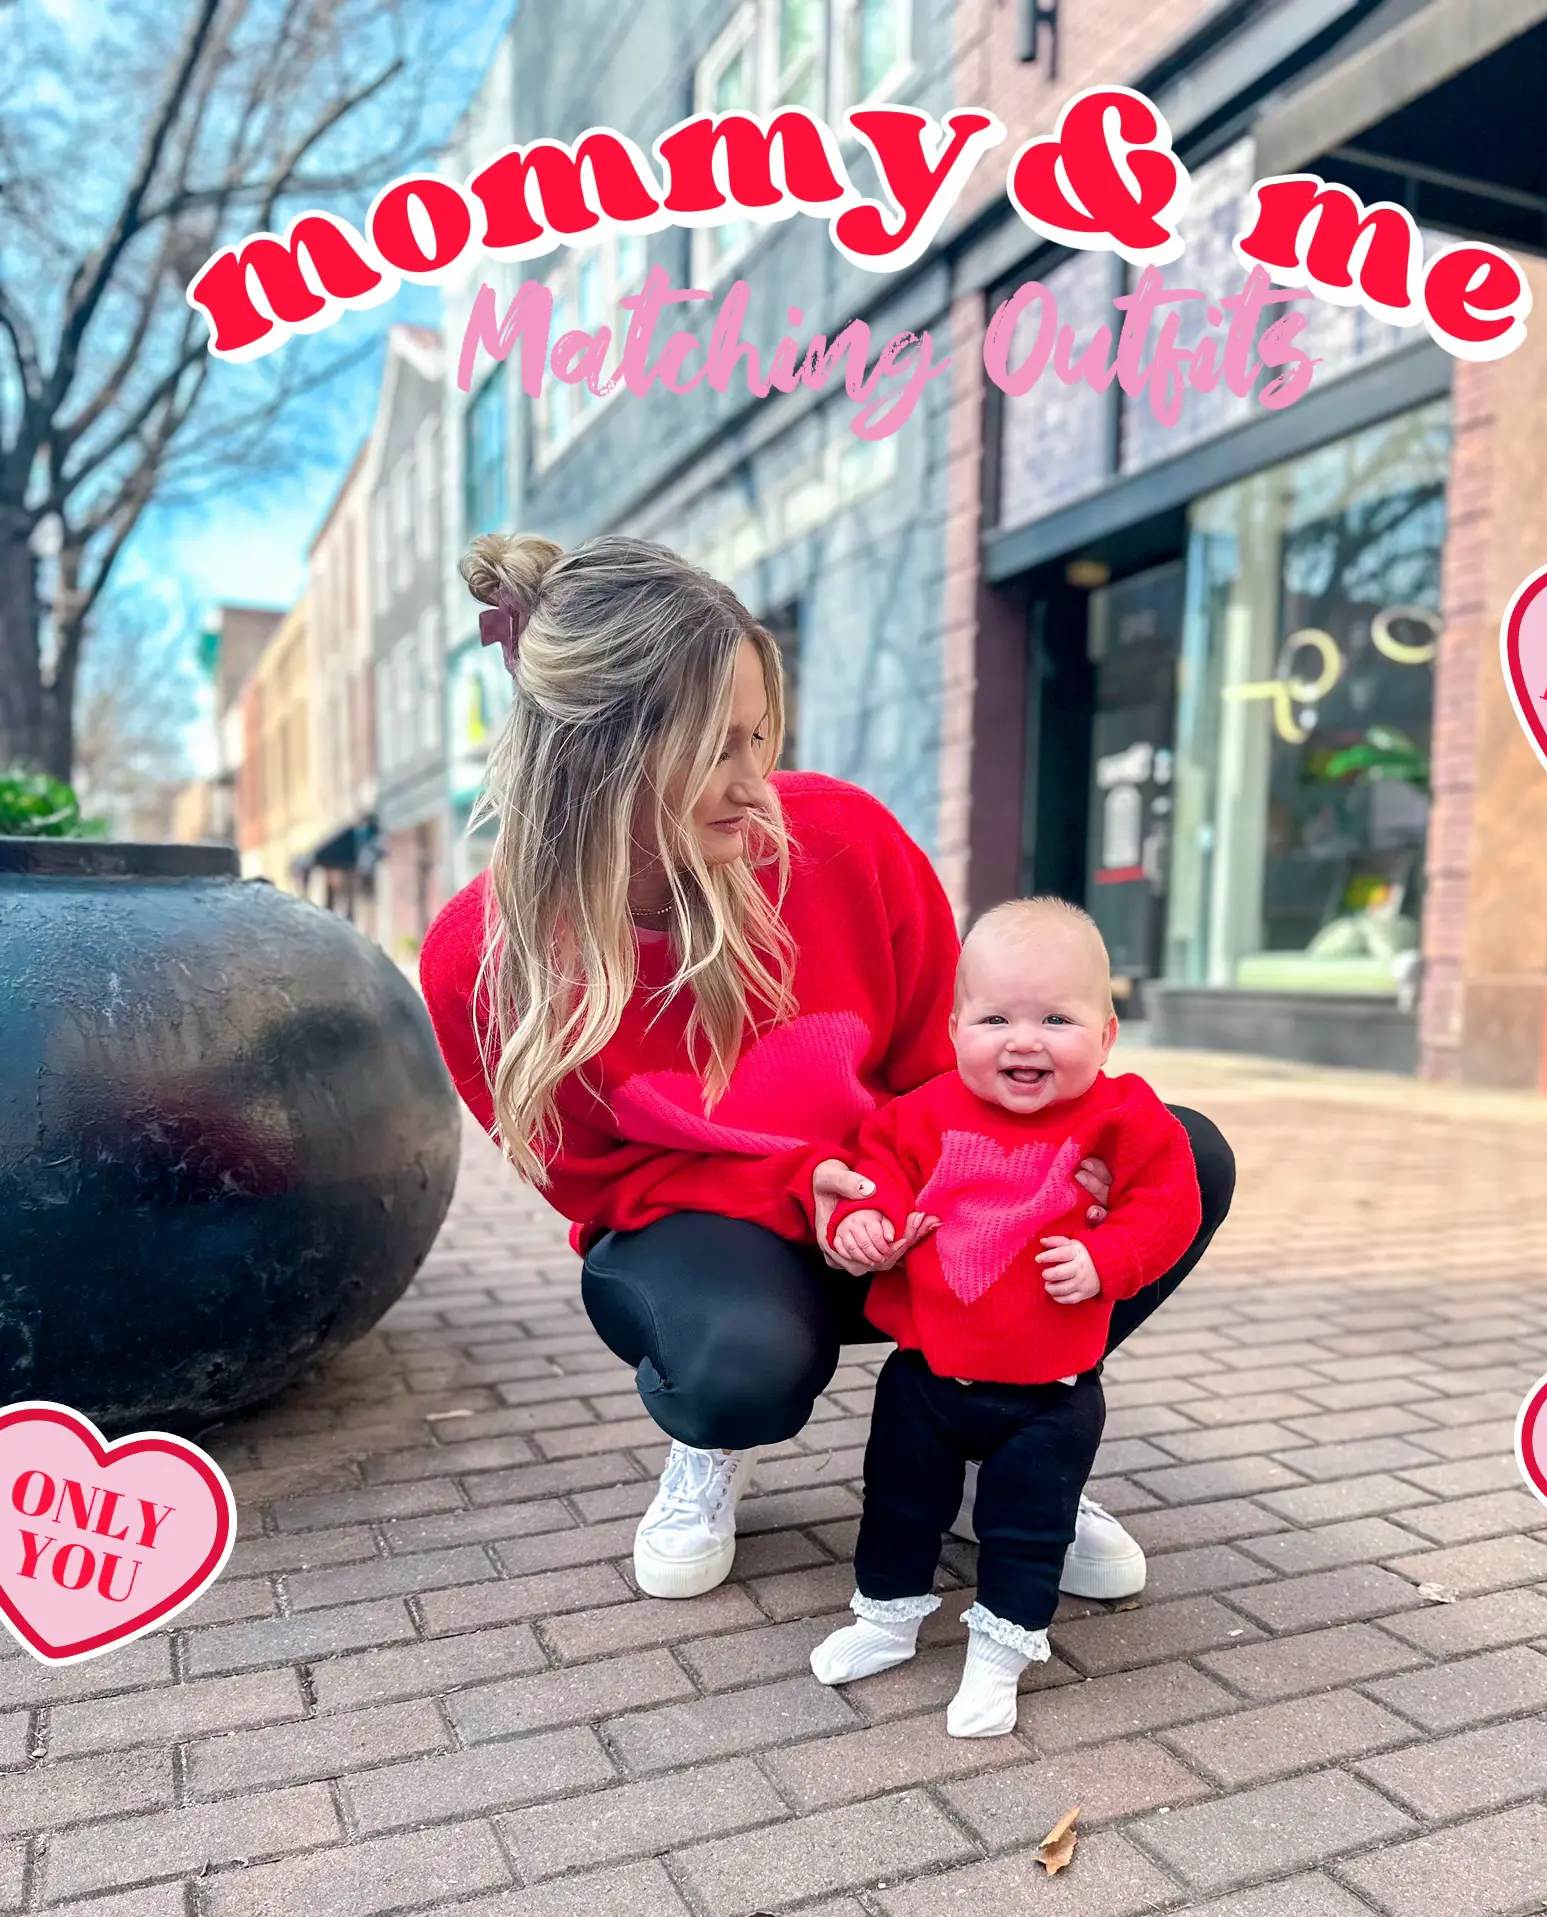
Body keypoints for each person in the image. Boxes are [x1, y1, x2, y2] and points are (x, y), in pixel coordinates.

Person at [419, 532, 1235, 1603]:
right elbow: (598, 1182)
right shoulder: (481, 957)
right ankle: (709, 1446)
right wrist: (801, 1188)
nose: (753, 784)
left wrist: (993, 1171)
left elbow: (948, 1074)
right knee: (737, 1370)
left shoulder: (843, 839)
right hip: (715, 1235)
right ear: (600, 751)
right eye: (715, 747)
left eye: (759, 737)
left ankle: (1015, 1428)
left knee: (1175, 1157)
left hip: (904, 1202)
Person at [811, 897, 1199, 1735]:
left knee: (1029, 1529)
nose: (1024, 1040)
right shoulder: (922, 1114)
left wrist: (1109, 1259)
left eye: (1056, 1017)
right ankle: (886, 1618)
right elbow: (872, 1172)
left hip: (1049, 1393)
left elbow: (1170, 1201)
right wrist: (862, 1224)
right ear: (954, 1031)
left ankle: (1002, 1653)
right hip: (926, 1375)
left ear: (1106, 1035)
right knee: (898, 1504)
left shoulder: (1123, 1116)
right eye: (995, 1018)